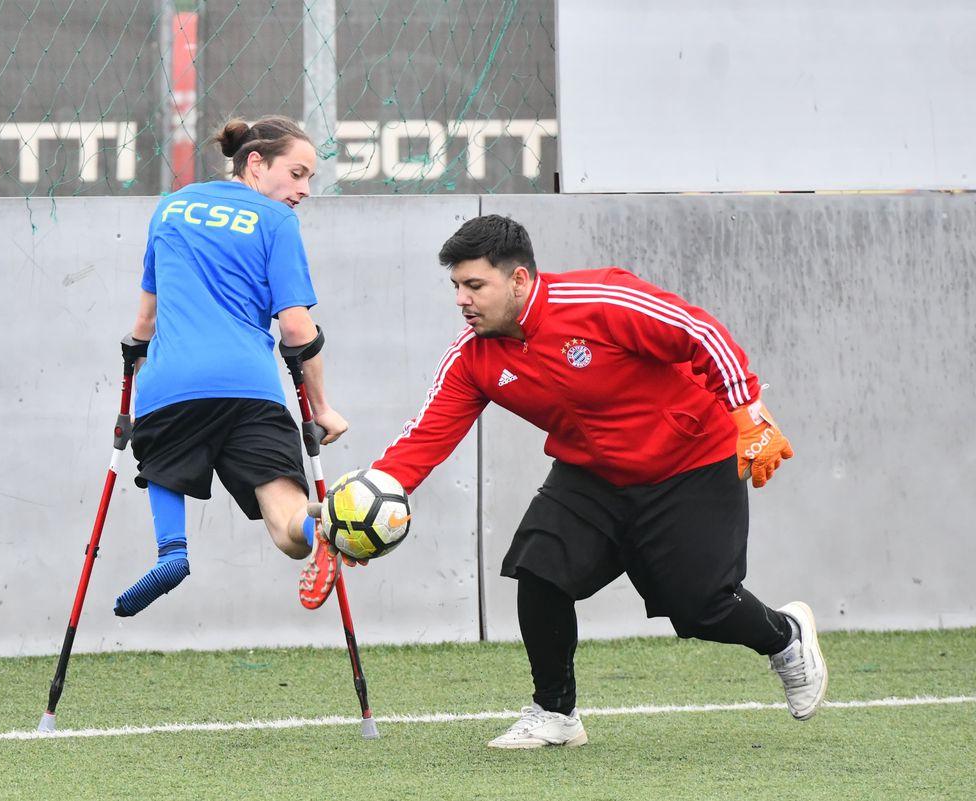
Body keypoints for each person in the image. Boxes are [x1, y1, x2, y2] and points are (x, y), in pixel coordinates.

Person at [344, 214, 826, 748]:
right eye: (456, 286)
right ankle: (555, 714)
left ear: (520, 279)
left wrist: (747, 412)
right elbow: (425, 437)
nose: (463, 299)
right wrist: (365, 514)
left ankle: (786, 637)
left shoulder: (601, 300)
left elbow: (699, 332)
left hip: (690, 459)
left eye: (475, 285)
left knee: (702, 608)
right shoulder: (473, 356)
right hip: (591, 473)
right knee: (539, 570)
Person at [114, 115, 347, 617]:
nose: (305, 189)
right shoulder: (277, 222)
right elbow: (297, 330)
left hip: (171, 385)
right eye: (299, 173)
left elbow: (145, 321)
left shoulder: (171, 208)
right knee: (290, 534)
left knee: (163, 464)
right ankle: (321, 528)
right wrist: (323, 408)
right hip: (250, 389)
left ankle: (171, 552)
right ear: (256, 163)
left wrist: (132, 360)